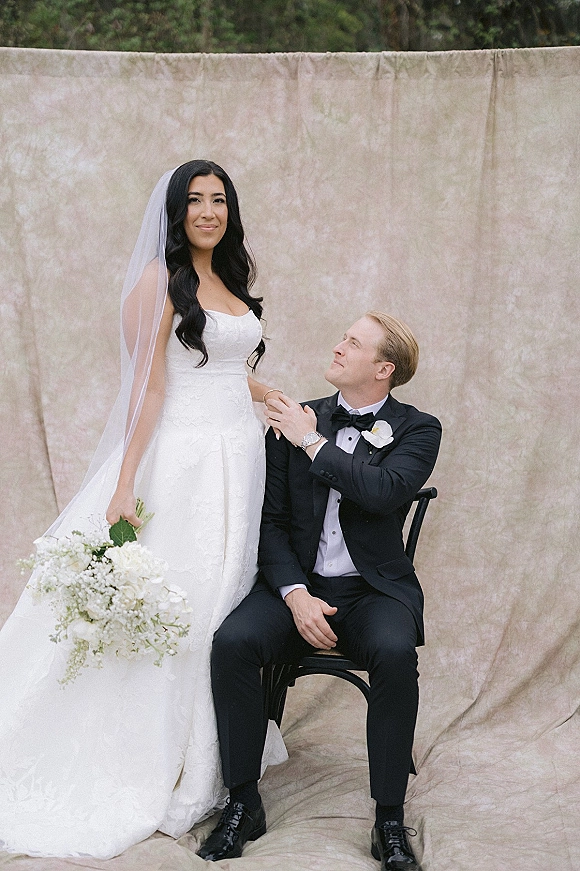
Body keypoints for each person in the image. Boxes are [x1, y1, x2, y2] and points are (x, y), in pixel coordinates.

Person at [0, 160, 287, 859]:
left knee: (226, 600)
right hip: (183, 464)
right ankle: (157, 759)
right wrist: (124, 482)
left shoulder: (228, 278)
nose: (209, 211)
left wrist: (276, 398)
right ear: (175, 212)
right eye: (196, 200)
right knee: (186, 604)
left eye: (220, 199)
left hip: (238, 459)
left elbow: (224, 367)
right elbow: (148, 390)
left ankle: (215, 751)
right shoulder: (158, 282)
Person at [198, 312, 442, 871]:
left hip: (372, 591)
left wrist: (310, 439)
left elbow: (381, 493)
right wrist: (294, 593)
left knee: (394, 652)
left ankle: (388, 818)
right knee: (232, 642)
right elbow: (270, 522)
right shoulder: (293, 421)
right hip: (298, 586)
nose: (337, 346)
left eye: (352, 343)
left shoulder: (418, 429)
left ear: (384, 369)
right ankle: (242, 801)